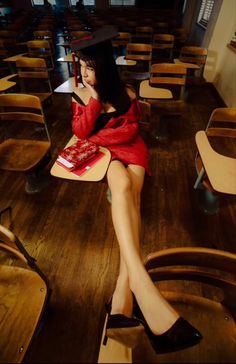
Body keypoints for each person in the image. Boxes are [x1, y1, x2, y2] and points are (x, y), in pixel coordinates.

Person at [71, 26, 202, 354]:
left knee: (134, 195)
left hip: (134, 150)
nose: (87, 74)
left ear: (105, 66)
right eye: (83, 67)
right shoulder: (81, 94)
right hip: (108, 157)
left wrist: (106, 131)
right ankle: (141, 289)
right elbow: (82, 133)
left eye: (93, 67)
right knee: (122, 184)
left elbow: (131, 130)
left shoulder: (127, 92)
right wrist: (95, 101)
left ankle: (122, 298)